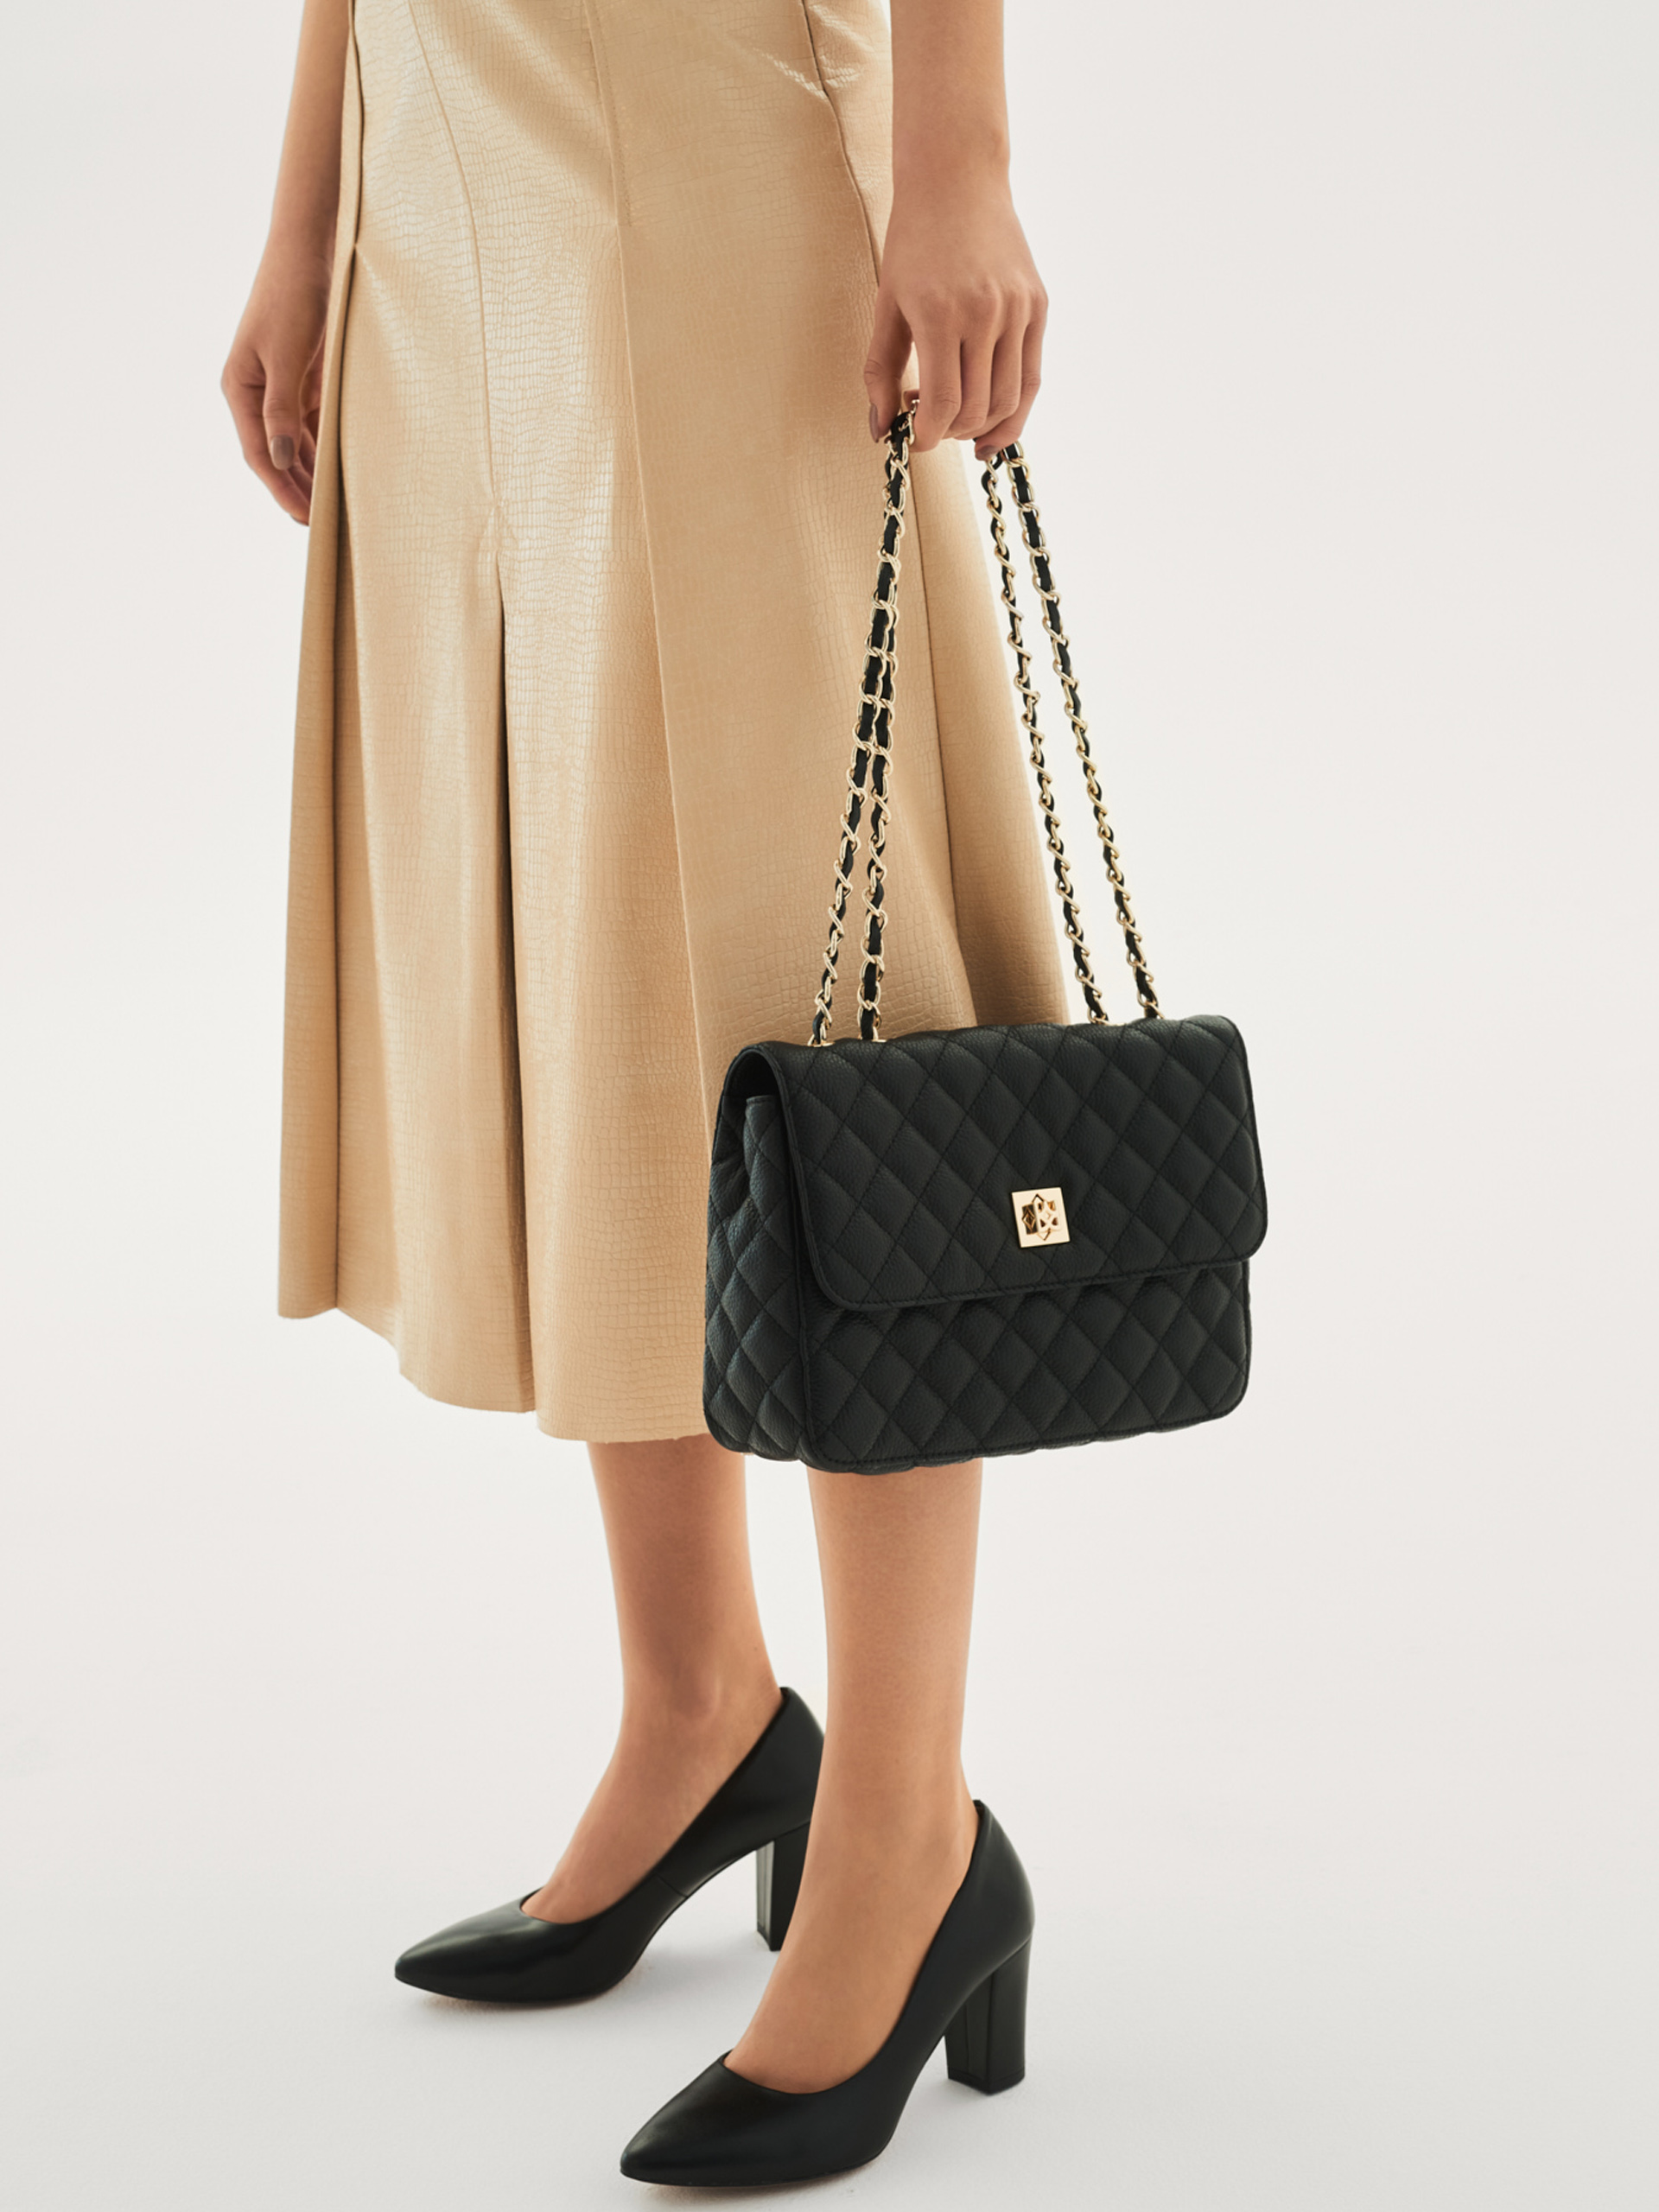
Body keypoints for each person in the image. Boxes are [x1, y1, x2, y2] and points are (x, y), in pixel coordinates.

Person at [224, 0, 1069, 2184]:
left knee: (836, 1000)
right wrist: (309, 203)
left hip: (720, 135)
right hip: (440, 174)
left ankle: (907, 1827)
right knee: (582, 947)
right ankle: (702, 1706)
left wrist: (958, 153)